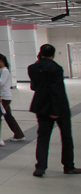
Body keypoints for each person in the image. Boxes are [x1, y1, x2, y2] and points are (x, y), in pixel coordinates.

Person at [28, 44, 81, 177]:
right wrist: (55, 111)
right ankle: (68, 166)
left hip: (41, 106)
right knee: (66, 137)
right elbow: (57, 90)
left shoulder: (32, 68)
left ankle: (40, 167)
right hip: (58, 107)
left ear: (40, 53)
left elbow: (34, 87)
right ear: (53, 54)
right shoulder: (56, 68)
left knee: (43, 137)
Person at [0, 53, 25, 142]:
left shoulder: (5, 70)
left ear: (0, 61)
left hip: (4, 96)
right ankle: (19, 134)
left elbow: (1, 82)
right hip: (0, 95)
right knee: (8, 116)